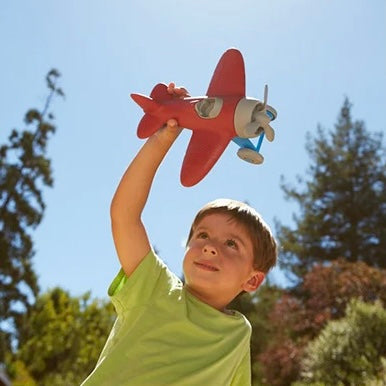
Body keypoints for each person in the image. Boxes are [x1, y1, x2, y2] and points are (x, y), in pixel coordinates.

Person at [81, 84, 277, 386]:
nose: (210, 248)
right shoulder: (155, 287)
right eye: (202, 236)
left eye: (231, 243)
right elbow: (125, 216)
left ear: (252, 280)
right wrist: (162, 139)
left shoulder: (239, 333)